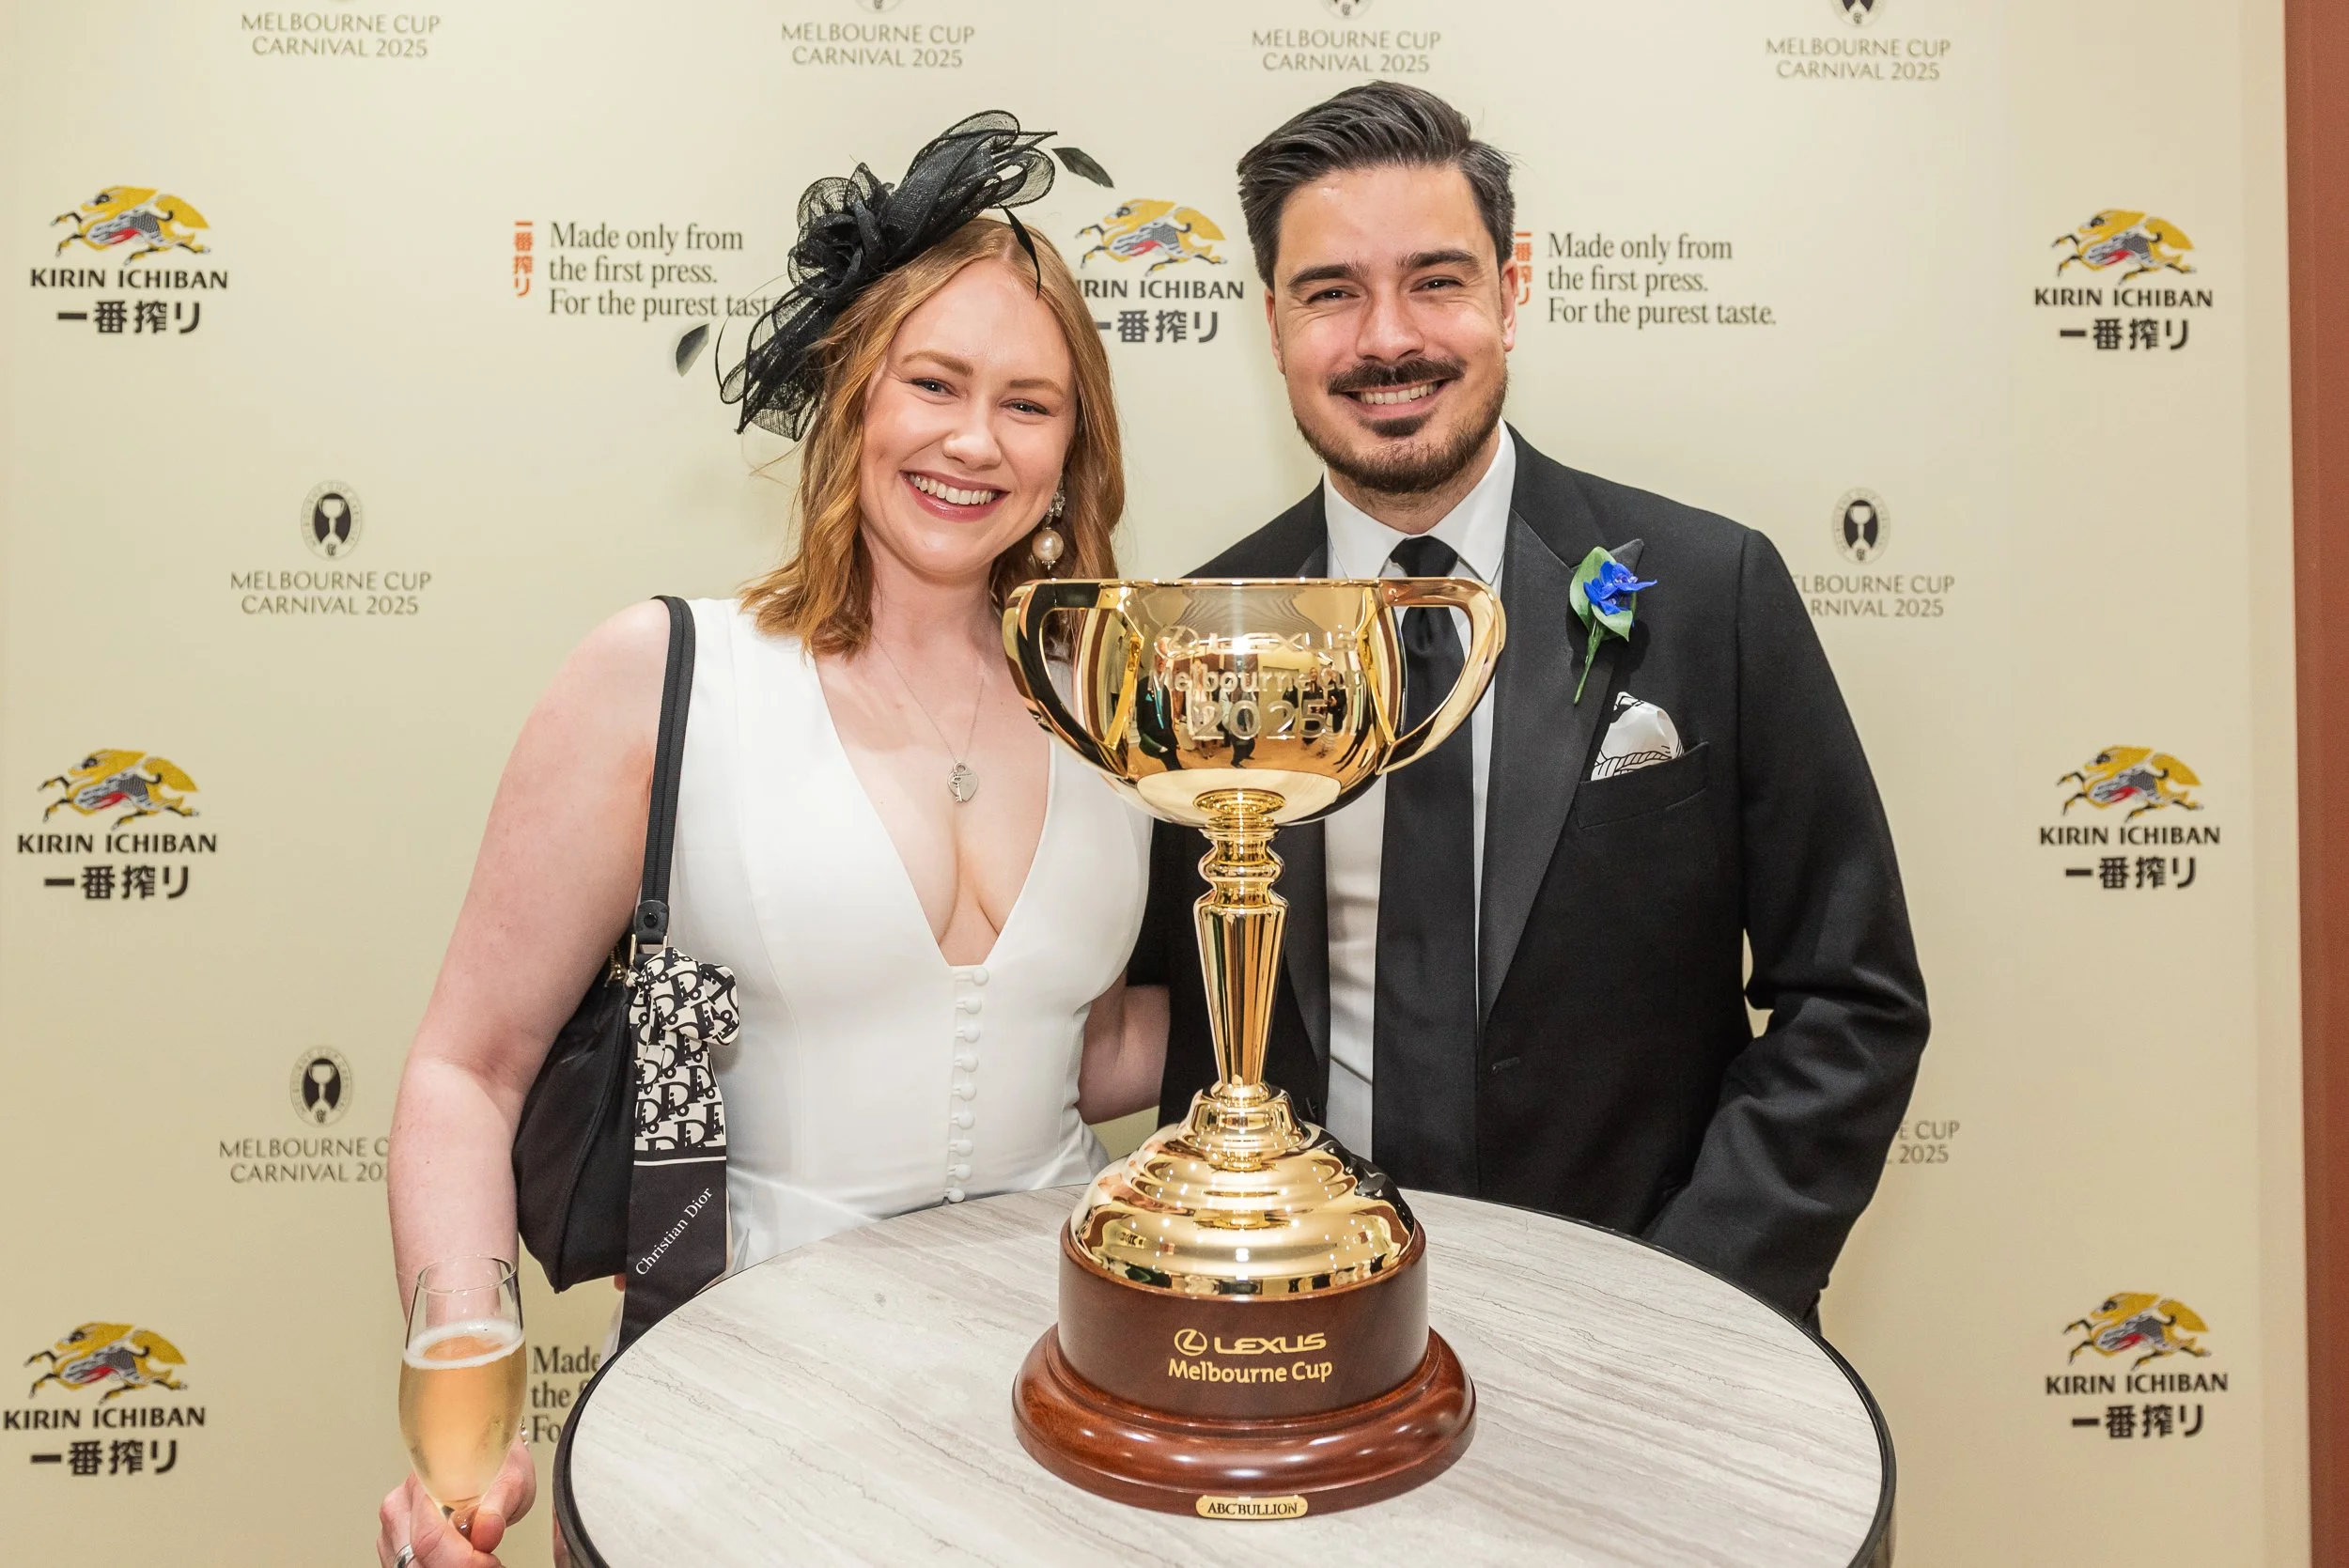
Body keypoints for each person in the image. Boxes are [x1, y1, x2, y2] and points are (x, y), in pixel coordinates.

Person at [377, 115, 1166, 1568]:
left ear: (1076, 449)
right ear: (853, 399)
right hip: (734, 1410)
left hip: (1063, 1419)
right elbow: (465, 1070)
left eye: (1029, 403)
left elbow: (1089, 1042)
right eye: (932, 382)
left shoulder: (1114, 705)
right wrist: (470, 1384)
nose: (973, 441)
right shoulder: (666, 674)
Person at [1129, 82, 1929, 1326]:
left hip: (1649, 1328)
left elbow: (1854, 998)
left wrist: (1684, 1299)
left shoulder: (1712, 591)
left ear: (1513, 290)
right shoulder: (1195, 635)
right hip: (1288, 1331)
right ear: (1272, 323)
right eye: (1330, 291)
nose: (1387, 337)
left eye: (1436, 280)